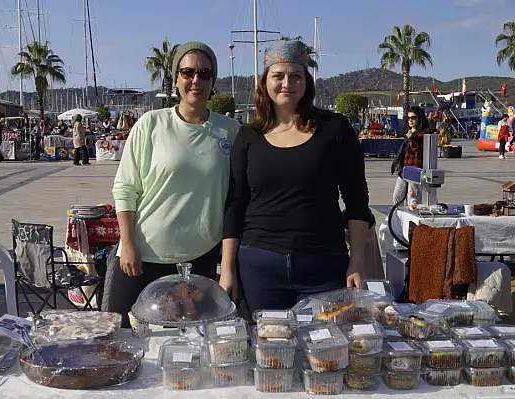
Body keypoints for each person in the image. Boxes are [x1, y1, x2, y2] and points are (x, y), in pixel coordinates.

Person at [221, 41, 371, 312]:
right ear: (265, 81)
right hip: (260, 267)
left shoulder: (335, 129)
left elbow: (357, 200)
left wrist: (357, 262)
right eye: (278, 76)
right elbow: (235, 204)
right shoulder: (248, 137)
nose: (286, 83)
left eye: (295, 76)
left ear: (306, 81)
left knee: (326, 348)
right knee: (268, 349)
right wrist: (227, 270)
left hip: (324, 265)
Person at [106, 42, 240, 327]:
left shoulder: (231, 131)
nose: (196, 80)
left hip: (200, 259)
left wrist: (227, 266)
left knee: (191, 345)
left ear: (213, 80)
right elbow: (126, 188)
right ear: (177, 78)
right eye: (188, 72)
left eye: (204, 73)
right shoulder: (150, 124)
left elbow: (235, 201)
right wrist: (128, 243)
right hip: (143, 254)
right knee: (120, 334)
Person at [391, 106, 430, 205]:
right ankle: (399, 217)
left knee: (412, 199)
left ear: (419, 119)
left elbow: (415, 150)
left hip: (415, 170)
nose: (410, 120)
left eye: (413, 118)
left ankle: (410, 218)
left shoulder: (423, 134)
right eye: (408, 118)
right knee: (397, 196)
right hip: (405, 169)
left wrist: (411, 138)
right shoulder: (409, 133)